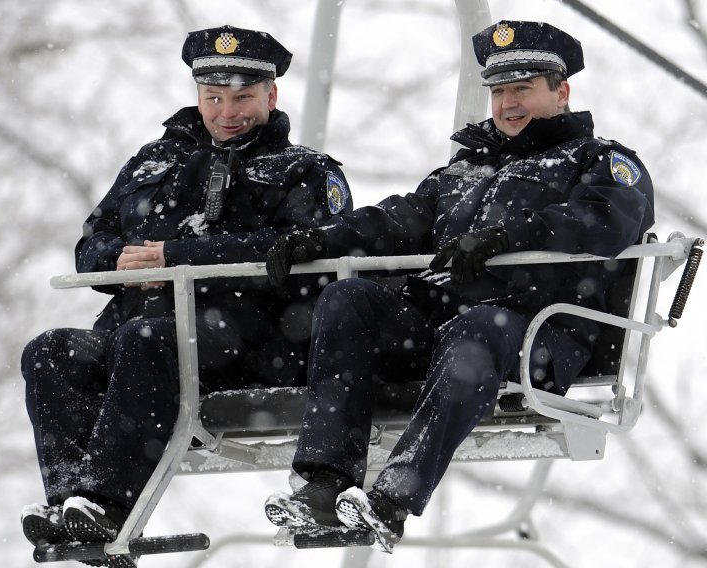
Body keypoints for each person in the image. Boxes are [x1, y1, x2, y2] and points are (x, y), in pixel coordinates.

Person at [263, 20, 654, 553]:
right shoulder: (464, 169)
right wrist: (323, 238)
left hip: (536, 331)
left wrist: (506, 237)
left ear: (561, 92)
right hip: (441, 326)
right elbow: (399, 218)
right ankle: (323, 484)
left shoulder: (600, 162)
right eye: (499, 91)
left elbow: (604, 222)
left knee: (478, 328)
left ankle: (393, 498)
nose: (508, 104)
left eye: (523, 88)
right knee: (348, 299)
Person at [19, 24, 351, 565]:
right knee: (51, 351)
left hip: (247, 336)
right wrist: (119, 262)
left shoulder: (305, 171)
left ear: (271, 95)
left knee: (146, 340)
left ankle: (107, 504)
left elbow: (302, 253)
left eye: (243, 97)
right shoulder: (156, 161)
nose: (228, 112)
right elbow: (94, 240)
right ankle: (70, 505)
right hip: (138, 327)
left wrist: (182, 260)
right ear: (197, 96)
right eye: (214, 98)